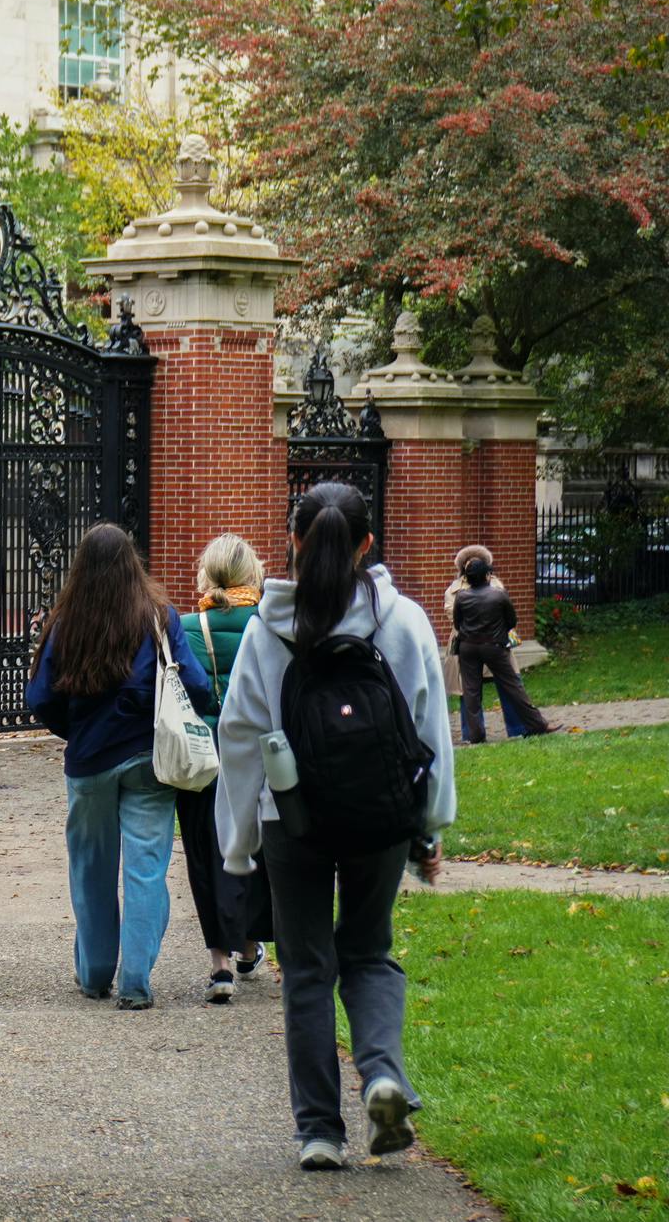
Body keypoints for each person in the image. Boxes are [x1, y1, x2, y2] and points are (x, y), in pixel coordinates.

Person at [216, 481, 456, 1171]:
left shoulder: (269, 626)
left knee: (309, 969)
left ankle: (321, 1128)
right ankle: (382, 1072)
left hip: (293, 819)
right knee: (369, 950)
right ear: (366, 545)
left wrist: (237, 847)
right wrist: (429, 826)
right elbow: (428, 727)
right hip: (381, 817)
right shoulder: (402, 620)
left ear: (292, 541)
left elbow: (240, 736)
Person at [26, 524, 215, 1011]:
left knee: (91, 868)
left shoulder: (66, 622)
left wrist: (77, 730)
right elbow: (195, 685)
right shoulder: (159, 617)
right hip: (150, 758)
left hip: (89, 761)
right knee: (147, 868)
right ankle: (135, 980)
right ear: (134, 562)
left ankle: (93, 973)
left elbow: (41, 697)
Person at [177, 535, 274, 1003]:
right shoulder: (269, 623)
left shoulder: (187, 625)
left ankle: (220, 965)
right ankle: (251, 944)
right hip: (256, 752)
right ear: (252, 574)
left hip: (203, 753)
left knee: (205, 852)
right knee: (254, 848)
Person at [455, 555, 556, 743]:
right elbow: (511, 621)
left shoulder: (461, 596)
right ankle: (537, 724)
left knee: (471, 691)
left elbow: (457, 622)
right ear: (487, 575)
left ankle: (475, 735)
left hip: (468, 646)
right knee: (513, 685)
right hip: (493, 645)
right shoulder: (498, 595)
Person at [442, 545, 527, 737]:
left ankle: (517, 728)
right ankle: (471, 733)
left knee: (509, 684)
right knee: (468, 691)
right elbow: (452, 615)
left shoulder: (496, 586)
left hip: (494, 641)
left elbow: (506, 614)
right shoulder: (454, 590)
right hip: (468, 642)